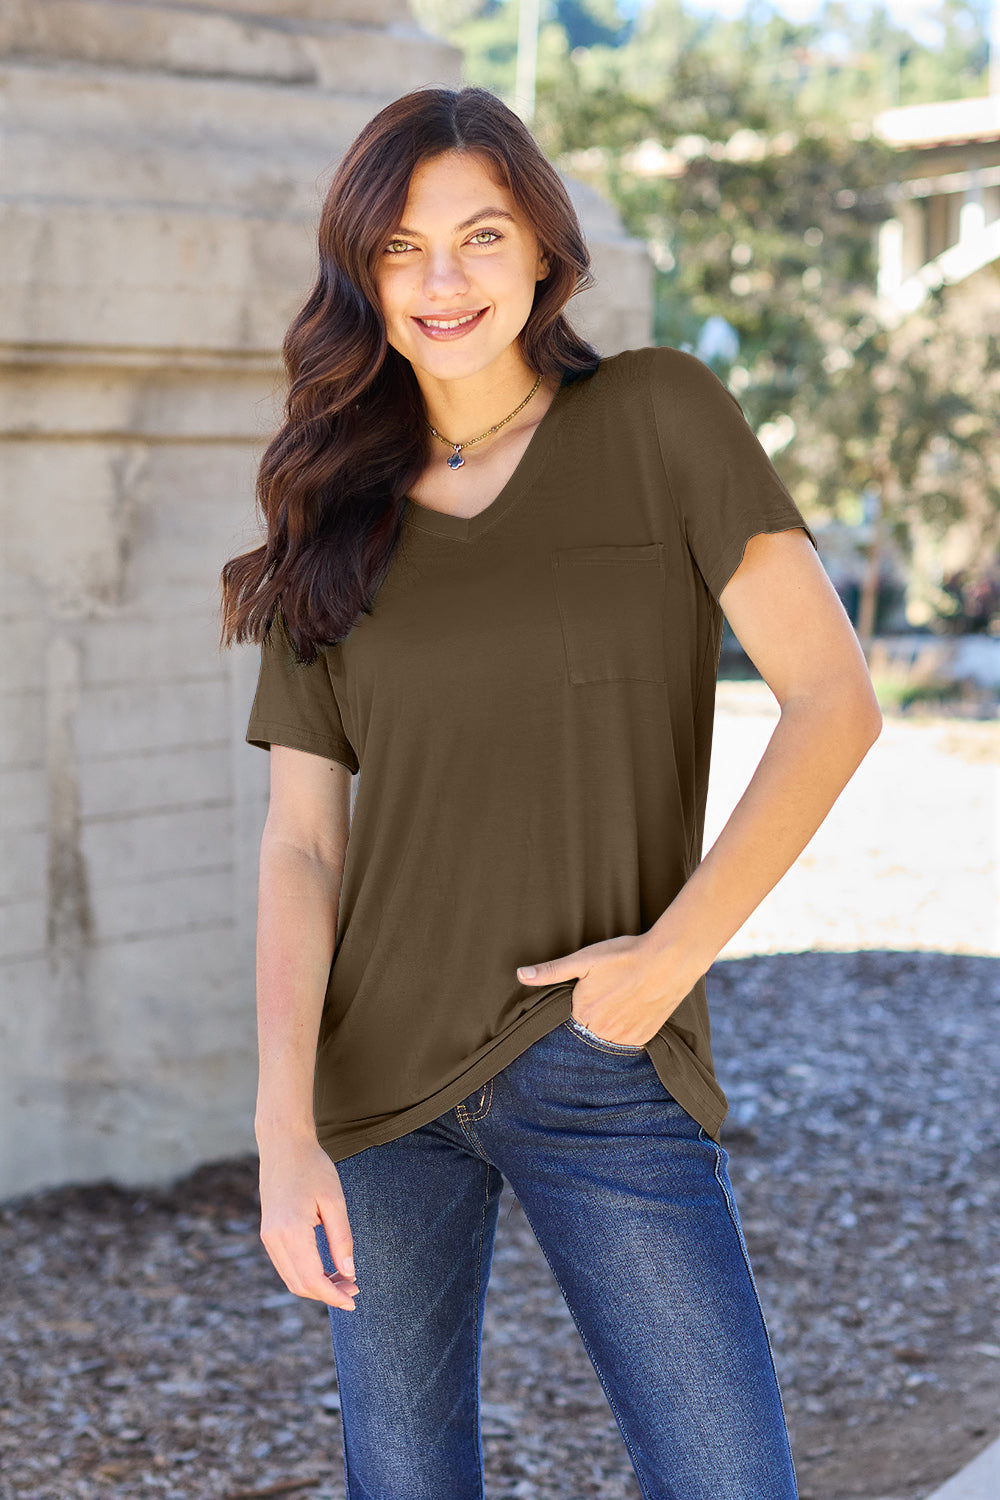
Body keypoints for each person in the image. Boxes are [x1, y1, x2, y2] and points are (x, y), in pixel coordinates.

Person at [219, 84, 882, 1500]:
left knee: (729, 1481)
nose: (443, 279)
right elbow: (302, 852)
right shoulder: (333, 509)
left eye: (479, 235)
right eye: (402, 248)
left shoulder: (657, 418)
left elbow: (834, 701)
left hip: (599, 1055)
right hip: (374, 1091)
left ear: (543, 253)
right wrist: (282, 1133)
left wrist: (673, 958)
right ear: (363, 274)